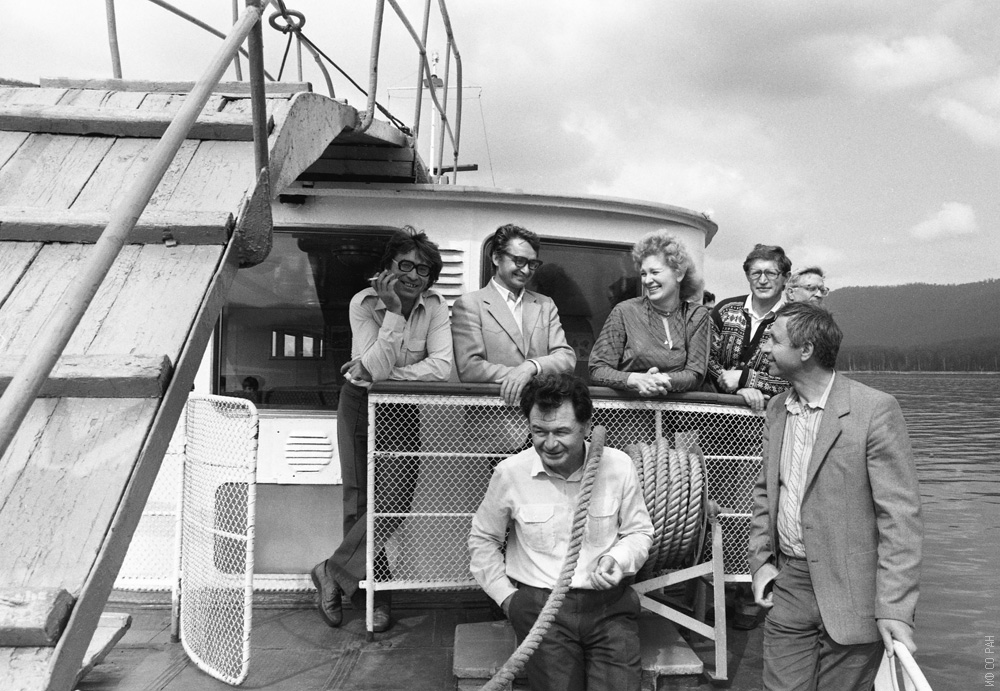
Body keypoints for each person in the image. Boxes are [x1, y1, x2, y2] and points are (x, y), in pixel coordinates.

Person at [749, 302, 922, 691]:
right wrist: (760, 562)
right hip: (789, 584)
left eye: (774, 340)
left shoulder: (874, 410)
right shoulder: (777, 409)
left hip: (854, 592)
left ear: (806, 350)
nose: (764, 348)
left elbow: (900, 518)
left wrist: (895, 608)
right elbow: (765, 492)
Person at [469, 373, 653, 691]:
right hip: (539, 608)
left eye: (562, 432)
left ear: (586, 425)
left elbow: (639, 532)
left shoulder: (619, 466)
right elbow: (483, 539)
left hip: (609, 608)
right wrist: (507, 598)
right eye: (539, 431)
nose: (550, 444)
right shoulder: (510, 473)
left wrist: (618, 559)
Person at [311, 227, 453, 634]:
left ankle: (330, 570)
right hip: (359, 404)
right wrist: (393, 312)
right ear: (388, 267)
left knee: (395, 500)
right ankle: (373, 597)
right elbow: (369, 368)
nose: (413, 276)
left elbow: (441, 367)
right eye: (405, 265)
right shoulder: (363, 303)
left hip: (401, 406)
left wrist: (388, 376)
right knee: (359, 501)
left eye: (423, 270)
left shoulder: (435, 307)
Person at [452, 224, 576, 405]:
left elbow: (566, 357)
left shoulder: (545, 304)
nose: (525, 270)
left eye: (532, 264)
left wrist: (531, 367)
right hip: (493, 418)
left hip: (541, 415)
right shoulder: (469, 304)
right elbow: (470, 368)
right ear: (496, 258)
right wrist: (521, 375)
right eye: (519, 261)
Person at [590, 229, 711, 395]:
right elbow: (597, 369)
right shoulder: (624, 312)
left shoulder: (696, 315)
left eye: (655, 272)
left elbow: (695, 374)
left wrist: (658, 381)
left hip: (677, 411)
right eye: (643, 274)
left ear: (679, 274)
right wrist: (633, 379)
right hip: (629, 410)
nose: (647, 280)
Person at [708, 244, 792, 413]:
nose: (762, 280)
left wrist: (746, 378)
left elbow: (795, 379)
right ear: (747, 276)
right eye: (756, 273)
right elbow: (704, 359)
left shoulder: (792, 320)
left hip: (765, 420)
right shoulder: (725, 310)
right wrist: (737, 389)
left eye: (771, 273)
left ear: (786, 277)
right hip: (714, 419)